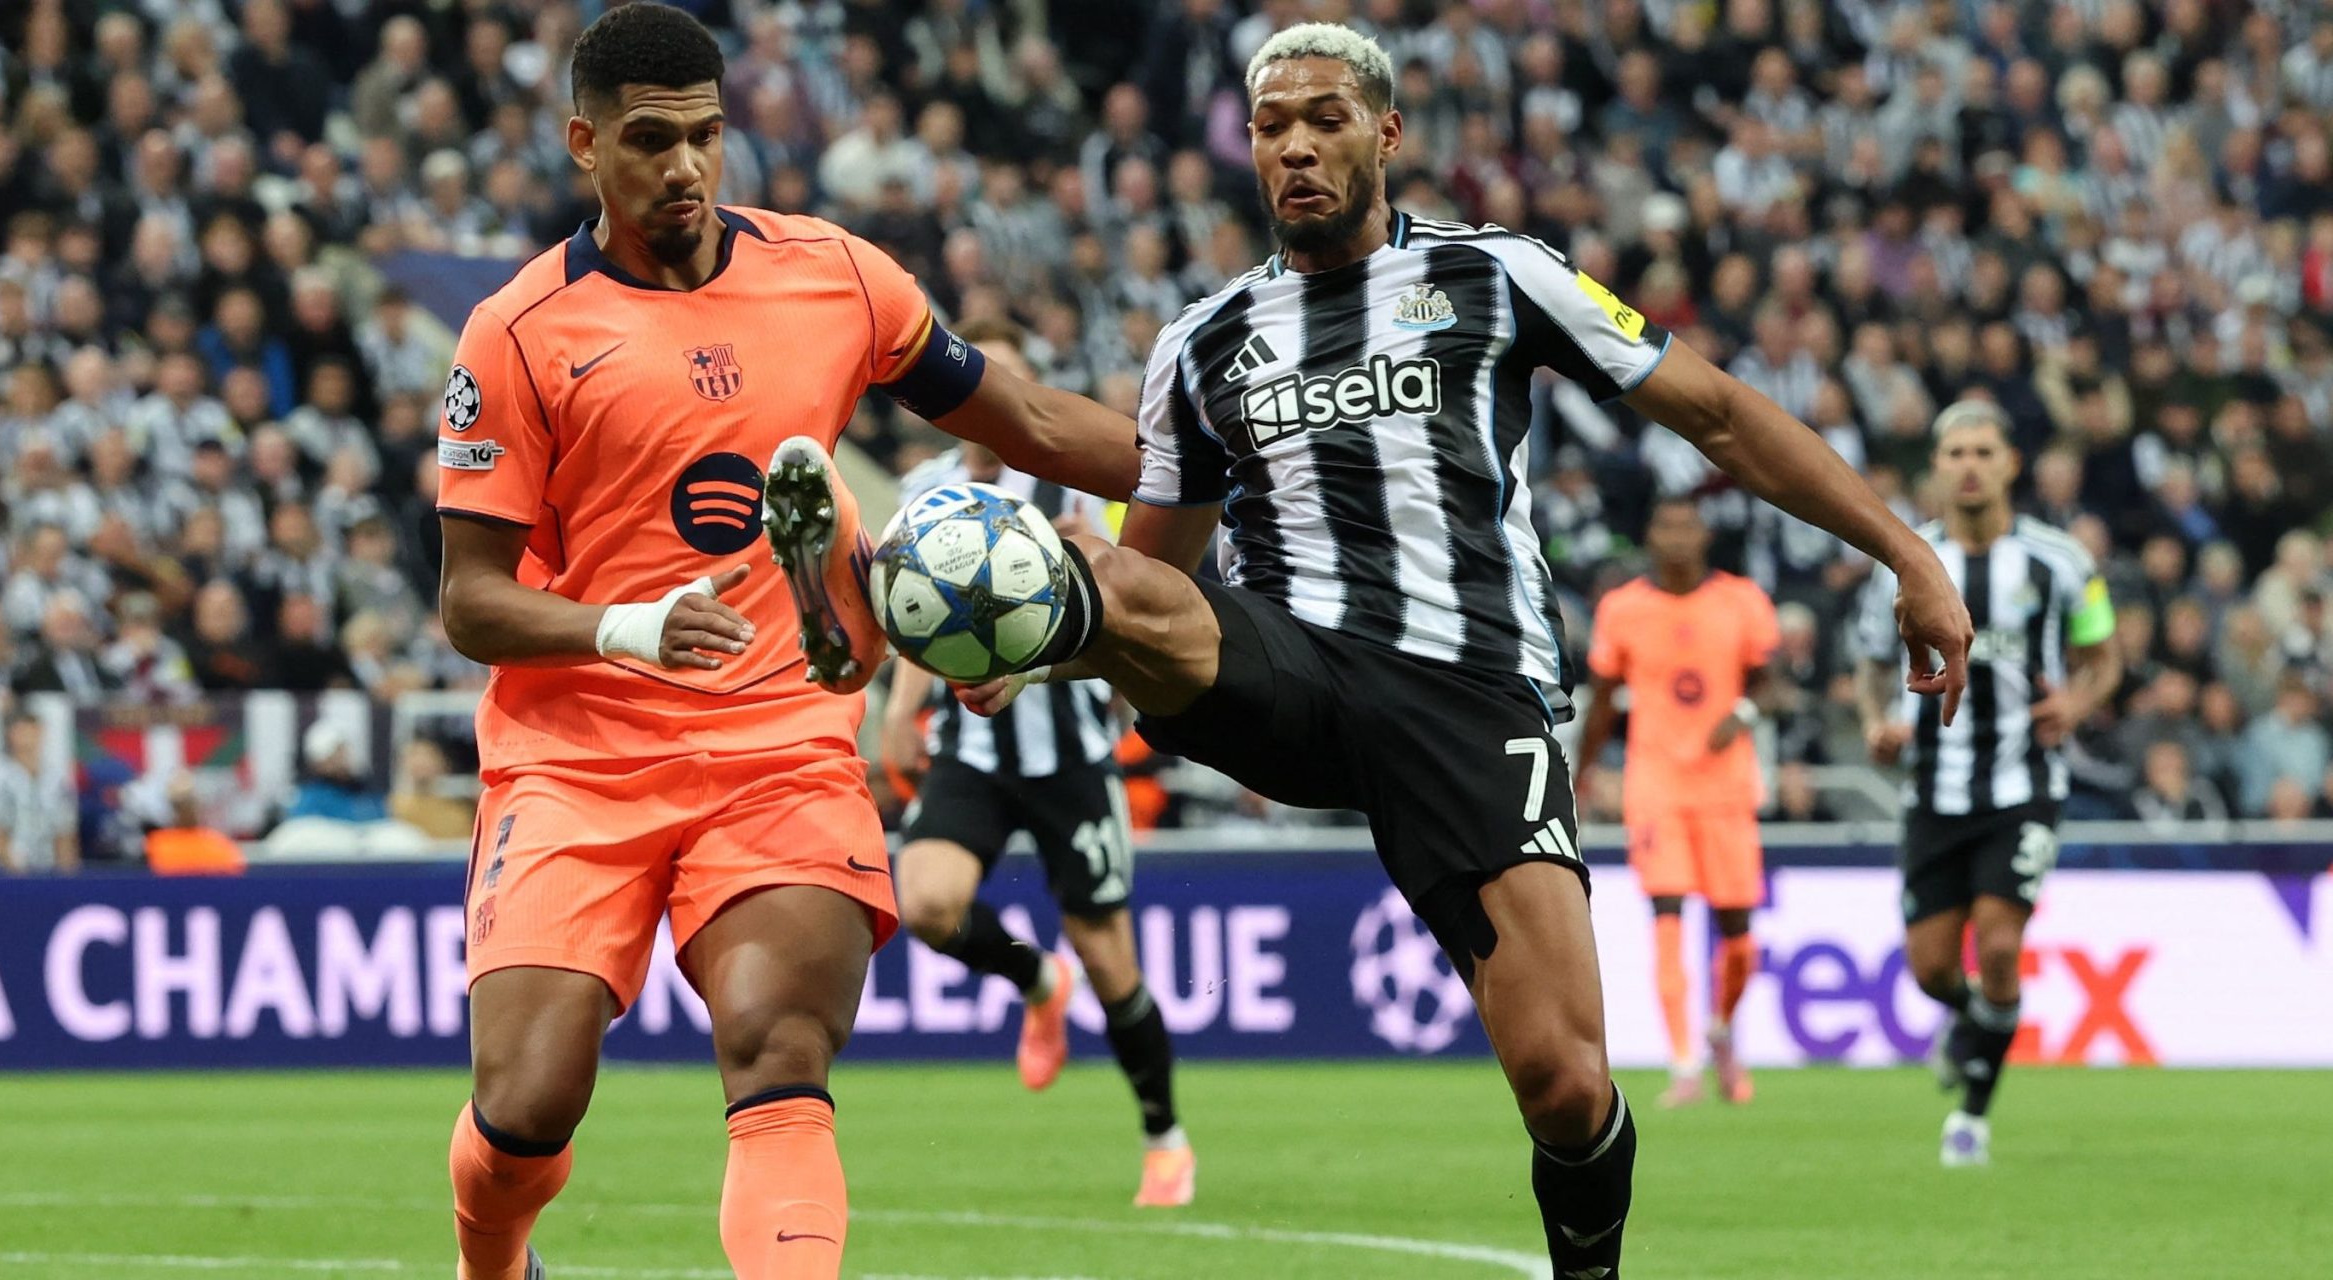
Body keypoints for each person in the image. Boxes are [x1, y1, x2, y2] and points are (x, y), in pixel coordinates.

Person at [790, 27, 1973, 1278]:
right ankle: (884, 601)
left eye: (1325, 119)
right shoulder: (1204, 340)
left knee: (1566, 1081)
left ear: (1386, 133)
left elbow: (1719, 415)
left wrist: (1906, 552)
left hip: (1470, 692)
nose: (1295, 147)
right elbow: (1155, 579)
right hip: (1291, 666)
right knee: (1101, 563)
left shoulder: (1497, 275)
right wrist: (1043, 648)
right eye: (1270, 127)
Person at [429, 8, 1136, 1279]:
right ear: (585, 144)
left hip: (778, 742)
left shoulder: (835, 279)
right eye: (651, 141)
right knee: (526, 1102)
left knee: (778, 1045)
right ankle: (496, 1262)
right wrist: (627, 627)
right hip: (575, 754)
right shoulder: (518, 331)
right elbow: (471, 601)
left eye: (706, 136)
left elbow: (1025, 419)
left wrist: (1218, 466)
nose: (686, 166)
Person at [878, 319, 1191, 1207]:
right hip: (972, 747)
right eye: (971, 379)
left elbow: (1135, 591)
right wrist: (900, 708)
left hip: (1070, 750)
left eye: (1001, 380)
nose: (982, 397)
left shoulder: (1075, 486)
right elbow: (912, 608)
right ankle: (1035, 980)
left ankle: (1164, 1136)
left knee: (1111, 961)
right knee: (926, 903)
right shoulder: (924, 489)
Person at [1855, 400, 2119, 1169]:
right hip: (1933, 790)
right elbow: (1871, 663)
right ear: (1936, 467)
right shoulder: (1904, 562)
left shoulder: (2062, 561)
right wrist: (1876, 721)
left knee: (2000, 947)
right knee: (1933, 970)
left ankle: (1970, 1117)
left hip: (2024, 785)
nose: (1969, 466)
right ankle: (1972, 1022)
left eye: (1983, 451)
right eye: (1955, 453)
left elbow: (2103, 656)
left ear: (2010, 464)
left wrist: (2079, 703)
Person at [1573, 498, 1779, 1108]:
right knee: (1666, 917)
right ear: (1650, 536)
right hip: (1656, 785)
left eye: (1688, 526)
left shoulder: (1741, 601)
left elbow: (1770, 680)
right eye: (1666, 526)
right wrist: (1581, 773)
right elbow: (1603, 698)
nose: (1678, 537)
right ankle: (1684, 1064)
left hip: (1727, 787)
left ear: (1706, 535)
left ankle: (1721, 1029)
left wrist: (1742, 713)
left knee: (1739, 935)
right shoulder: (1623, 608)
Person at [0, 715, 81, 874]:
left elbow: (64, 833)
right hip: (3, 873)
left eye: (31, 730)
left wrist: (67, 875)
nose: (26, 737)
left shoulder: (56, 781)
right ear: (10, 735)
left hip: (47, 870)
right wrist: (17, 868)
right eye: (20, 731)